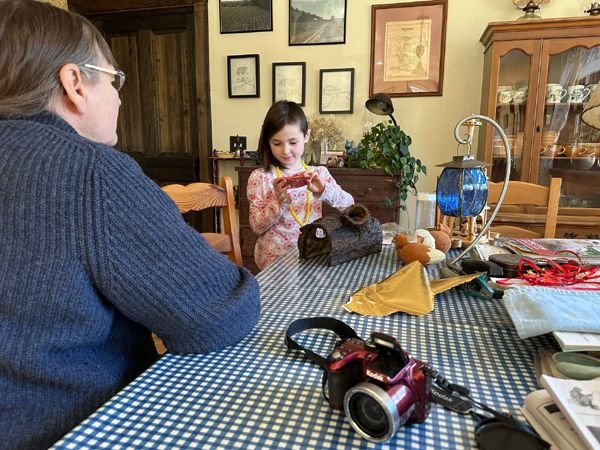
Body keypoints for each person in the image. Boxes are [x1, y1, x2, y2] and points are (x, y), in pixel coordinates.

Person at [0, 2, 260, 449]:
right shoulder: (91, 173)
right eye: (115, 79)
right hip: (76, 429)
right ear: (75, 82)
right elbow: (217, 312)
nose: (121, 96)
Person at [248, 101, 354, 270]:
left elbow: (349, 206)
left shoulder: (319, 174)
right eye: (277, 143)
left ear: (306, 136)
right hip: (273, 263)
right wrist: (278, 203)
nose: (285, 150)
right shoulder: (260, 177)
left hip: (313, 256)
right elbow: (256, 227)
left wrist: (324, 191)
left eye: (293, 142)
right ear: (268, 141)